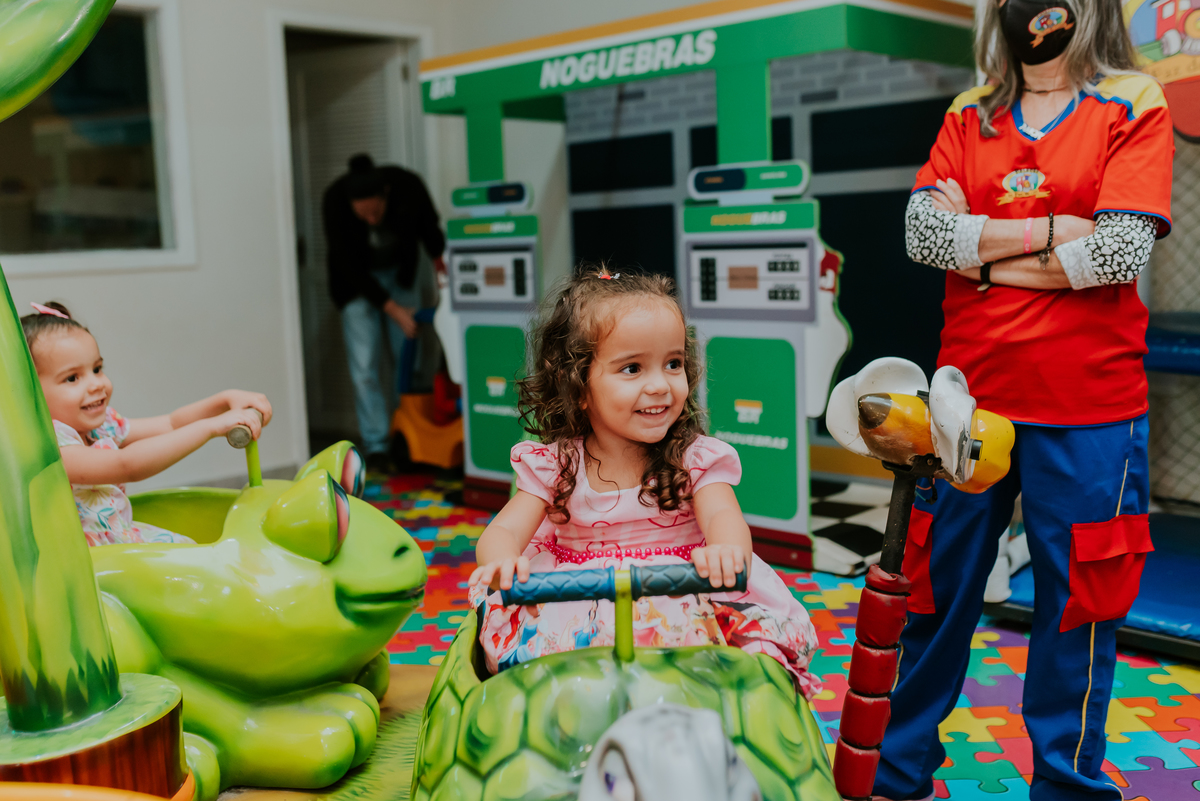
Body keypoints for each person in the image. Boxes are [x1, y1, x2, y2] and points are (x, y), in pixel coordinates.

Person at [885, 0, 1173, 798]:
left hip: (1089, 407)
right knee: (935, 595)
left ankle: (1065, 784)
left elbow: (1117, 252)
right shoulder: (967, 112)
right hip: (966, 402)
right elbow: (920, 236)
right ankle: (898, 768)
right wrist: (1054, 234)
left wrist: (979, 249)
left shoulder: (1132, 102)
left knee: (1078, 609)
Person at [467, 267, 820, 695]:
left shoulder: (694, 458)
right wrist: (503, 559)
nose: (660, 385)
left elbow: (725, 517)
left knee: (742, 668)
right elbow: (504, 529)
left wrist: (726, 551)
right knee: (551, 677)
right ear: (578, 385)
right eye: (632, 368)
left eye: (673, 364)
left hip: (682, 593)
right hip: (581, 602)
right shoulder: (557, 465)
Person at [22, 302, 272, 547]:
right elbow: (127, 465)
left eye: (97, 369)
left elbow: (171, 423)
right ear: (29, 391)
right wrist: (211, 428)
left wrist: (224, 400)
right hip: (89, 565)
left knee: (190, 549)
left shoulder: (101, 426)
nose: (97, 384)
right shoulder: (52, 447)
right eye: (73, 377)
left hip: (121, 539)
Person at [322, 153, 446, 474]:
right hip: (355, 284)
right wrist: (393, 310)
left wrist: (439, 262)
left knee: (408, 357)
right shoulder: (334, 201)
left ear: (385, 195)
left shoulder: (408, 186)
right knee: (364, 364)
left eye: (375, 212)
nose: (371, 220)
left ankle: (403, 435)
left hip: (400, 273)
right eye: (363, 216)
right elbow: (347, 265)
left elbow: (429, 226)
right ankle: (376, 445)